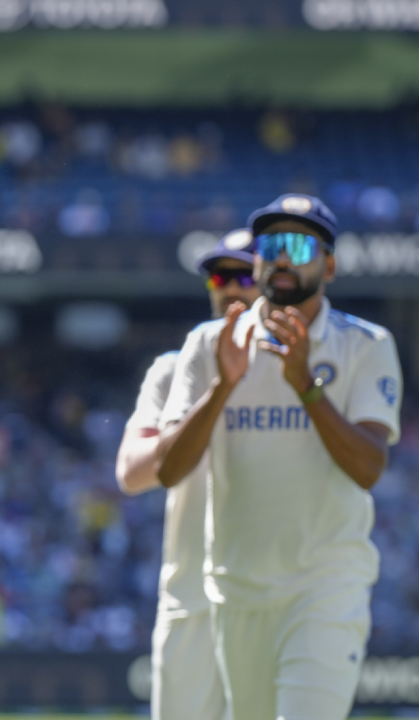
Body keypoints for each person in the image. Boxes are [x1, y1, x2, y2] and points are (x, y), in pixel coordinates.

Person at [156, 194, 402, 720]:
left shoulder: (365, 345)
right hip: (236, 591)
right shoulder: (210, 344)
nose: (282, 259)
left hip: (325, 587)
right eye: (271, 246)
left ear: (330, 264)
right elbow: (169, 470)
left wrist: (306, 388)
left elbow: (368, 468)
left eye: (299, 244)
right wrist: (224, 386)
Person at [116, 228, 259, 720]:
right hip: (191, 597)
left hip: (271, 595)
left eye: (246, 274)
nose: (231, 287)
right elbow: (132, 473)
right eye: (221, 275)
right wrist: (212, 394)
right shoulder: (171, 369)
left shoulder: (295, 371)